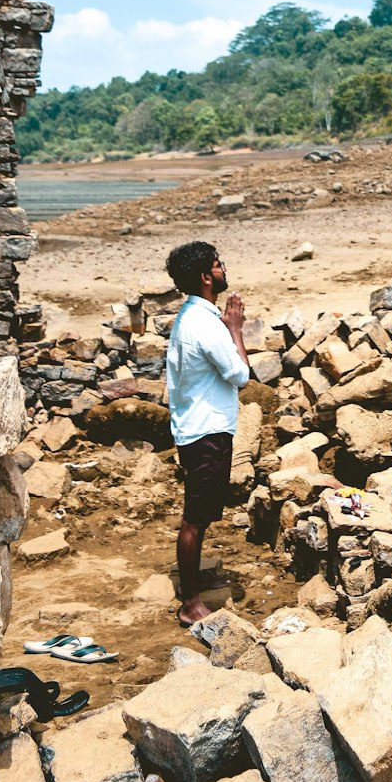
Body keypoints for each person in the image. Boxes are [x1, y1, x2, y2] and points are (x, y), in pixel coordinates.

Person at [165, 241, 249, 626]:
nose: (223, 269)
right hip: (206, 431)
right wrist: (235, 329)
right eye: (218, 264)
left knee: (198, 515)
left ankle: (192, 589)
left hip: (193, 427)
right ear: (205, 276)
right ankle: (191, 604)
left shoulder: (188, 317)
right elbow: (242, 375)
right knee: (195, 519)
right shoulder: (206, 325)